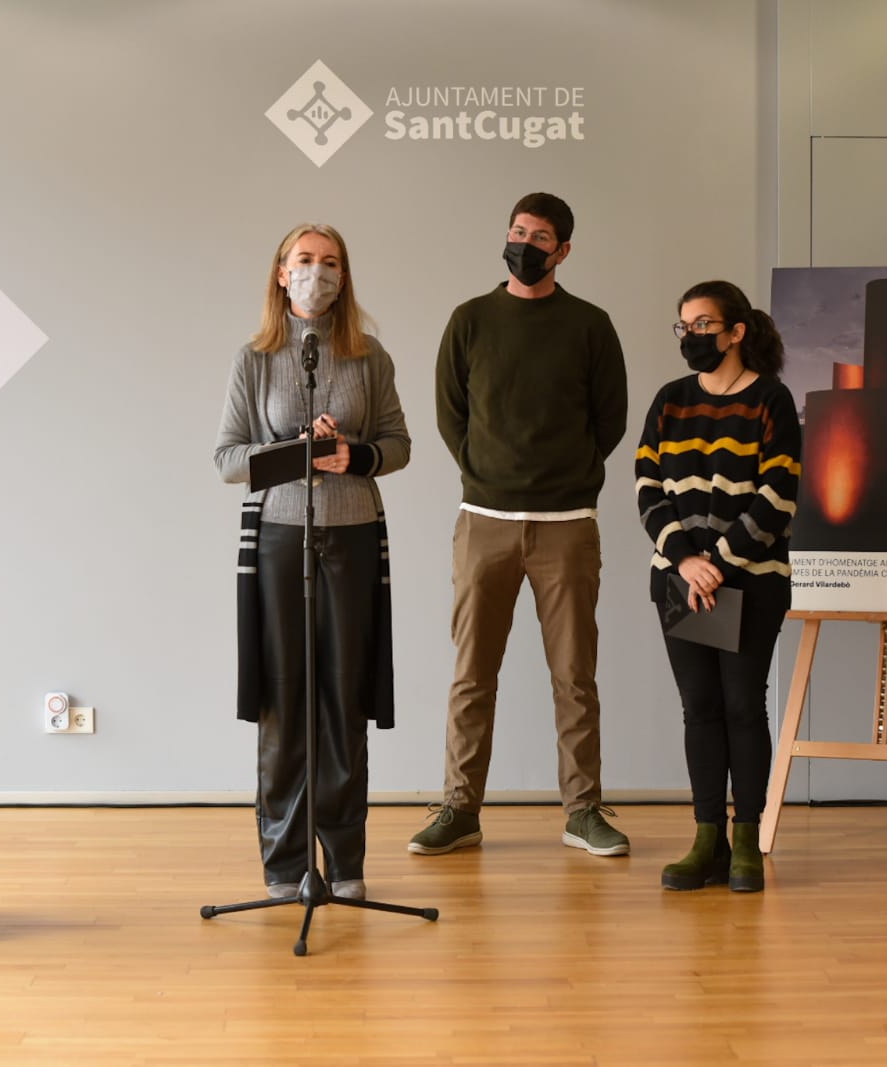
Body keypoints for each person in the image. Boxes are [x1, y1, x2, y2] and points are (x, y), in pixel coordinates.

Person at [410, 192, 631, 857]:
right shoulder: (470, 320)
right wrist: (487, 472)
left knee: (575, 677)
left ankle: (583, 811)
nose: (524, 245)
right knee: (472, 674)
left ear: (563, 251)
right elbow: (450, 413)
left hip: (568, 523)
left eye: (539, 237)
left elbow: (610, 419)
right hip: (485, 521)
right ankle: (460, 809)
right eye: (517, 231)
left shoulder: (590, 325)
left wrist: (568, 475)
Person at [213, 223, 410, 901]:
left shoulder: (369, 356)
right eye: (304, 260)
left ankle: (345, 862)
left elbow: (398, 444)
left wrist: (353, 454)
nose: (316, 272)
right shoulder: (255, 358)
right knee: (283, 701)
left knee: (343, 700)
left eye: (330, 262)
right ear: (281, 272)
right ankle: (286, 863)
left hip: (351, 535)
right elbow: (227, 459)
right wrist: (294, 451)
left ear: (343, 277)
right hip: (279, 538)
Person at [635, 280, 799, 892]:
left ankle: (746, 839)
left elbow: (778, 493)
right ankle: (707, 839)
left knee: (742, 706)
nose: (692, 336)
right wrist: (685, 561)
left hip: (752, 581)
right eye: (684, 325)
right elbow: (647, 486)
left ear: (736, 332)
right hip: (679, 580)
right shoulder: (669, 400)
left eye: (704, 324)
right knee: (699, 708)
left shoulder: (771, 399)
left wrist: (719, 564)